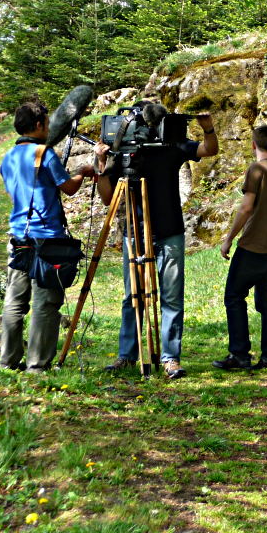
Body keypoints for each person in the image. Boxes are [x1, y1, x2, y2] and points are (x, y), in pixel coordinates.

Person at [96, 101, 218, 379]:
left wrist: (208, 129)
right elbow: (106, 197)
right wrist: (101, 164)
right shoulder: (123, 151)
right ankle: (127, 355)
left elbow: (208, 150)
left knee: (171, 297)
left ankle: (170, 358)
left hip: (169, 231)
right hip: (134, 232)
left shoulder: (171, 145)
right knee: (132, 296)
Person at [0, 101, 95, 372]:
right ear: (39, 125)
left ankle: (8, 360)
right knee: (45, 303)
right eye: (47, 123)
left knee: (15, 302)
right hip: (46, 240)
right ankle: (37, 364)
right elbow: (69, 188)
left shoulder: (7, 157)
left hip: (18, 236)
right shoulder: (45, 154)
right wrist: (82, 173)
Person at [213, 125, 267, 371]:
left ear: (253, 145)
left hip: (252, 247)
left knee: (234, 297)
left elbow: (247, 208)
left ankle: (239, 355)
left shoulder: (256, 169)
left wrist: (228, 238)